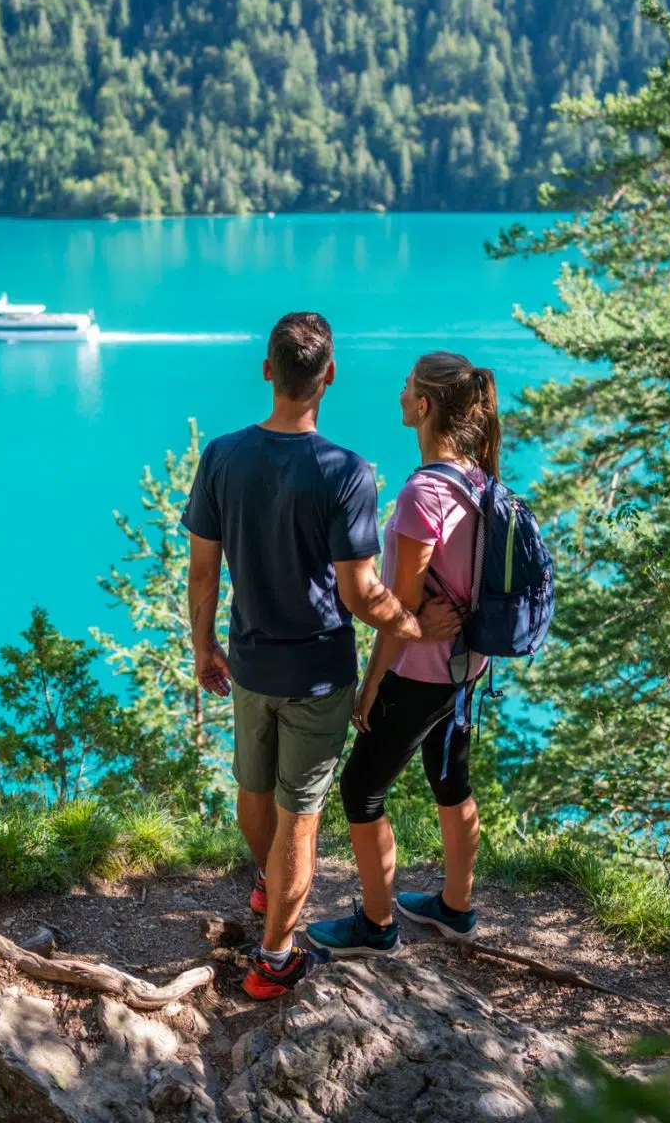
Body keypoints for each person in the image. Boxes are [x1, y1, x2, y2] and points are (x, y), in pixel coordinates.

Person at [182, 313, 460, 1000]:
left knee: (254, 795)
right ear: (329, 376)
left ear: (268, 370)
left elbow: (202, 571)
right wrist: (418, 629)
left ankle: (264, 885)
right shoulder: (346, 472)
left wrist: (204, 646)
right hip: (318, 675)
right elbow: (362, 594)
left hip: (248, 663)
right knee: (297, 819)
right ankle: (274, 959)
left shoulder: (221, 456)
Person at [306, 351, 499, 957]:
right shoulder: (480, 479)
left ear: (424, 407)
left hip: (419, 674)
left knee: (361, 788)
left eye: (407, 387)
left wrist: (369, 687)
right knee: (451, 780)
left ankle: (377, 925)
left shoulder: (423, 494)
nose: (398, 394)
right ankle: (456, 908)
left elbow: (400, 614)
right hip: (467, 668)